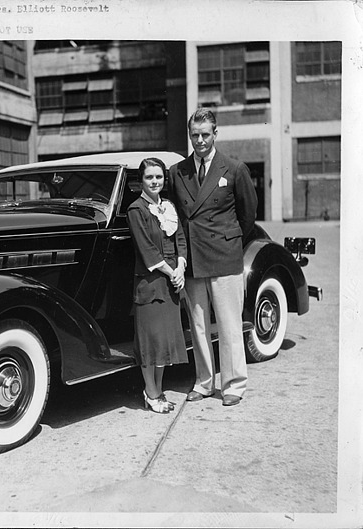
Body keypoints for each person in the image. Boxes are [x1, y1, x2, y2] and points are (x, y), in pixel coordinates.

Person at [169, 108, 258, 407]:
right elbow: (178, 216)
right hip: (192, 259)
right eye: (195, 135)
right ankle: (205, 382)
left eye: (205, 134)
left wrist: (228, 242)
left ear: (215, 134)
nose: (200, 141)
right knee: (198, 326)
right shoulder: (177, 172)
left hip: (223, 257)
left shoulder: (234, 169)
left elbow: (247, 216)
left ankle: (233, 384)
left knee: (229, 324)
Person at [127, 157, 188, 414]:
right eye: (150, 177)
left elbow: (181, 240)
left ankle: (158, 390)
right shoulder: (136, 210)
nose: (155, 182)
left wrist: (181, 269)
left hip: (171, 283)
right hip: (150, 284)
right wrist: (171, 271)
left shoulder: (169, 206)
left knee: (163, 344)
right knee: (150, 343)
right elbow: (147, 250)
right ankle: (150, 393)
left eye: (159, 177)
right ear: (141, 180)